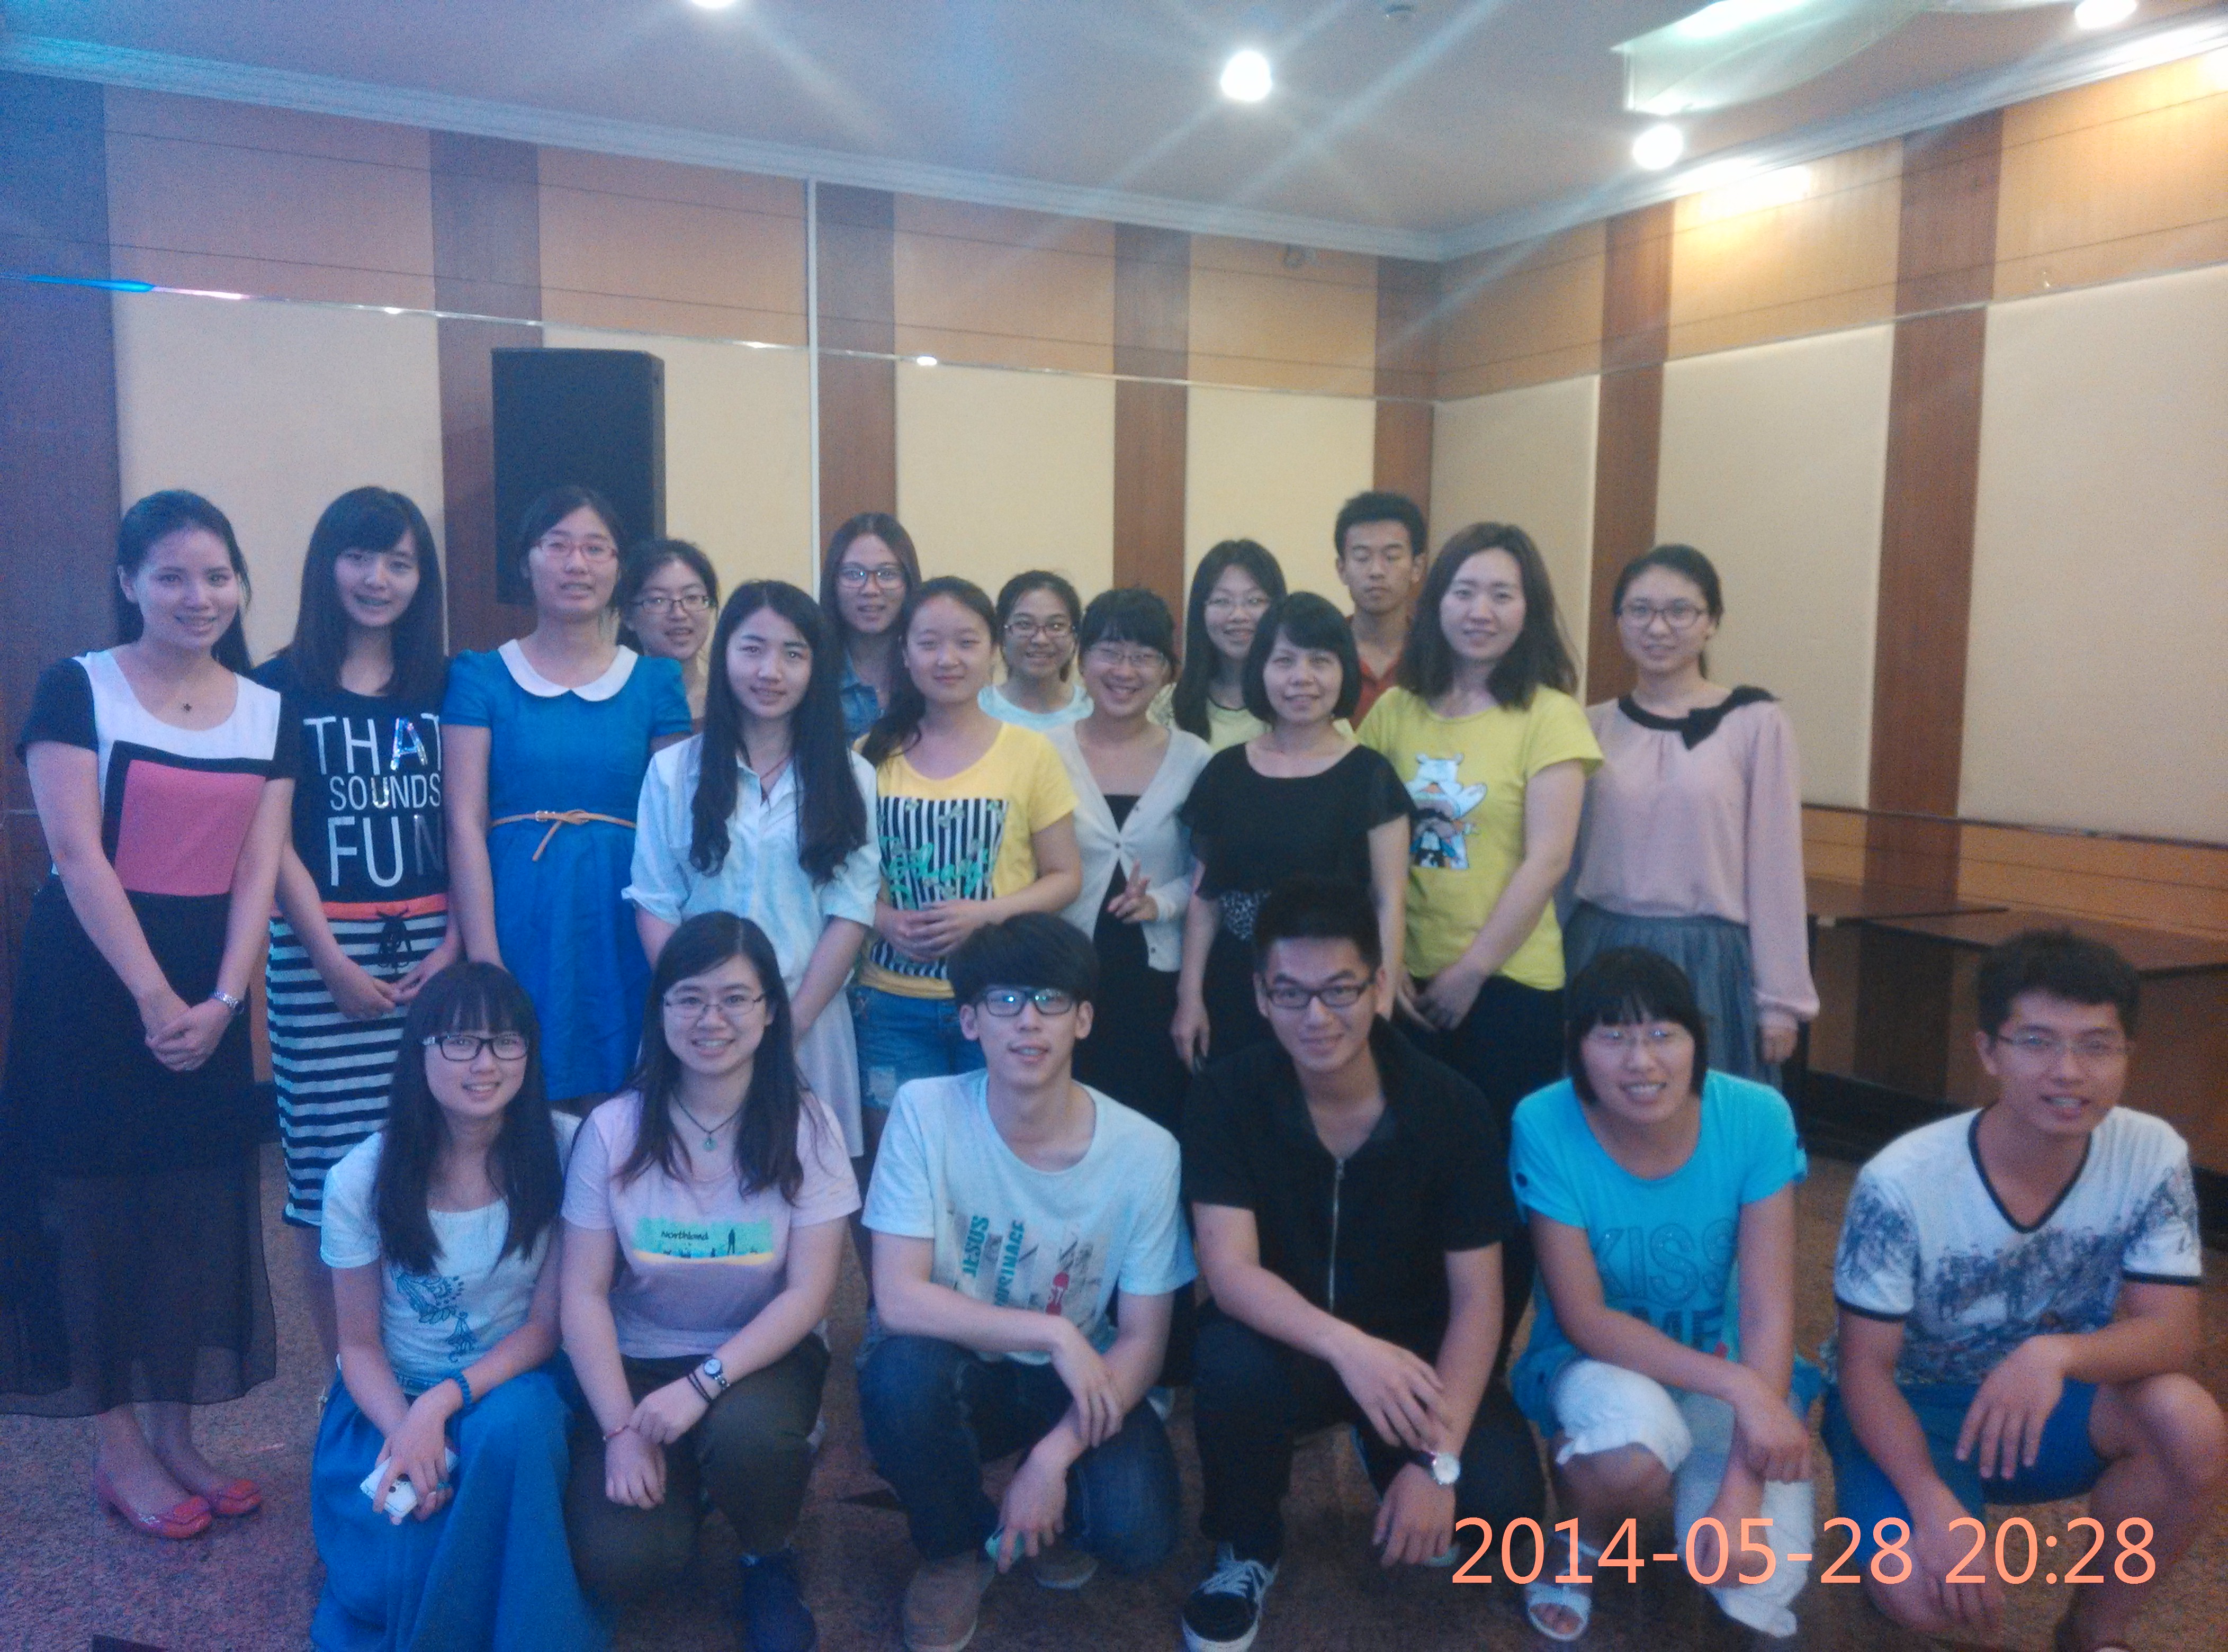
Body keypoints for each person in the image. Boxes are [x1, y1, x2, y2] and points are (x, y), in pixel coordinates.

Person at [0, 491, 295, 1533]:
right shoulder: (76, 687)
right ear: (128, 582)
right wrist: (157, 997)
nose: (197, 596)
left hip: (209, 988)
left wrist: (223, 1000)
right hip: (92, 987)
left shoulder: (264, 707)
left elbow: (259, 865)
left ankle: (177, 1435)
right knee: (99, 1216)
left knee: (191, 1211)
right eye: (171, 576)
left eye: (217, 576)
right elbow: (76, 855)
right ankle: (119, 1450)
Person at [1826, 929, 2222, 1652]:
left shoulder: (2150, 1152)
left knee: (2188, 1424)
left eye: (2096, 1046)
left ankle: (2094, 1631)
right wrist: (1931, 1503)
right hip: (1912, 1406)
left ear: (2128, 1054)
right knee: (1924, 1597)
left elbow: (2172, 1334)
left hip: (2050, 1404)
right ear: (1988, 1052)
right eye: (2036, 1042)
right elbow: (1862, 1368)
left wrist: (2055, 1355)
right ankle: (1882, 1518)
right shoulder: (1901, 1180)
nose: (2068, 1072)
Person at [1180, 878, 1544, 1652]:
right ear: (1260, 995)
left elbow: (1479, 1302)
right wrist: (1348, 1349)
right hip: (1288, 1343)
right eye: (1290, 993)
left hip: (1414, 1358)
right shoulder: (1227, 1096)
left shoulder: (1452, 1106)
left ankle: (1387, 1452)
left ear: (1379, 986)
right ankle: (1247, 1546)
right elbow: (1231, 1273)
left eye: (1339, 990)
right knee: (1227, 1360)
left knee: (1501, 1512)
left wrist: (1438, 1462)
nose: (1316, 1017)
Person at [859, 915, 1192, 1652]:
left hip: (1071, 1382)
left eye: (1050, 1000)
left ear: (1084, 1019)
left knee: (1137, 1534)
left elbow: (1144, 1341)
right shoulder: (925, 1111)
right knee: (898, 1381)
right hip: (959, 1362)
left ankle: (1048, 1500)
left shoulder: (1147, 1152)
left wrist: (1052, 1459)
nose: (1028, 1021)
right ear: (969, 1021)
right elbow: (898, 1297)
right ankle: (953, 1548)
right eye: (1004, 1001)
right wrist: (1054, 1332)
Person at [561, 914, 857, 1652]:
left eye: (734, 999)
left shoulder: (809, 1127)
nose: (710, 1020)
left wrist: (701, 1387)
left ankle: (766, 1552)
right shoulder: (613, 1129)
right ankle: (687, 1482)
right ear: (661, 1010)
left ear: (770, 1010)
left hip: (760, 1355)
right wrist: (620, 1430)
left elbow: (808, 1295)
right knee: (622, 1563)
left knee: (750, 1437)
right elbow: (583, 1293)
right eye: (689, 999)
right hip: (638, 1360)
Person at [1508, 947, 1816, 1642]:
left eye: (1661, 1034)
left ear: (1696, 1041)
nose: (1640, 1061)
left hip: (1731, 1363)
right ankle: (1581, 1538)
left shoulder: (1757, 1116)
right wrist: (1744, 1391)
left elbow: (1767, 1309)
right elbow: (1584, 1316)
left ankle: (1694, 1489)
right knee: (1632, 1446)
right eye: (1613, 1036)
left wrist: (1740, 1493)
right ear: (1576, 1048)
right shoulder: (1544, 1121)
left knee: (1755, 1581)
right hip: (1599, 1365)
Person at [1357, 522, 1601, 1363]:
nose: (1481, 610)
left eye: (1503, 593)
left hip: (1510, 988)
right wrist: (1385, 967)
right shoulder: (1395, 710)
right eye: (1465, 591)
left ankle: (1480, 1367)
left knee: (1498, 1180)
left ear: (1529, 609)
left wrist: (1470, 970)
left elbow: (1549, 859)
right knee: (1405, 1172)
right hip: (1400, 984)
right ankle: (1403, 1355)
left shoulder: (1550, 715)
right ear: (1436, 602)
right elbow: (1364, 835)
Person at [311, 964, 595, 1652]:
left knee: (513, 1430)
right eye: (460, 1042)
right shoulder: (359, 1179)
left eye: (505, 1042)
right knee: (388, 1582)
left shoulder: (567, 1148)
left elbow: (545, 1327)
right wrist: (410, 1428)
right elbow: (359, 1347)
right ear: (421, 1051)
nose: (485, 1063)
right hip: (390, 1401)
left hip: (512, 1385)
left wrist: (444, 1402)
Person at [259, 486, 459, 1367]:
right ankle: (350, 1373)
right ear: (326, 567)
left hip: (434, 954)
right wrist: (329, 959)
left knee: (438, 1160)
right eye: (359, 557)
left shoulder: (449, 685)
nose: (378, 579)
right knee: (326, 1181)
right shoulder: (276, 687)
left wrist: (456, 945)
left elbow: (467, 824)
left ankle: (430, 1357)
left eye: (399, 562)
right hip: (318, 962)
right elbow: (268, 842)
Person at [444, 487, 693, 1108]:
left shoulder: (655, 681)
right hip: (517, 909)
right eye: (556, 546)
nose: (575, 564)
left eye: (595, 548)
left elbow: (676, 824)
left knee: (627, 1096)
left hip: (626, 910)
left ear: (618, 567)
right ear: (525, 563)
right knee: (516, 1089)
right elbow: (464, 821)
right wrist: (484, 956)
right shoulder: (480, 675)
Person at [626, 580, 878, 1168]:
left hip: (807, 1021)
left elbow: (850, 910)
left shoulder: (851, 776)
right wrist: (699, 1008)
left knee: (805, 1183)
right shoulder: (673, 772)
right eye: (752, 649)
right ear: (724, 657)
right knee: (687, 1180)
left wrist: (785, 1024)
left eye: (793, 653)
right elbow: (655, 903)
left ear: (816, 667)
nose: (771, 671)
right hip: (695, 1025)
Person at [854, 577, 1082, 1181]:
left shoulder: (1031, 753)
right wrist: (883, 919)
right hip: (890, 1004)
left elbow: (1065, 877)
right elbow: (837, 878)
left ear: (993, 651)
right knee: (898, 1170)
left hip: (1000, 1003)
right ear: (905, 653)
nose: (947, 659)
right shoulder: (870, 753)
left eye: (966, 642)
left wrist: (984, 915)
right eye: (929, 643)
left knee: (991, 1170)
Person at [1568, 544, 1814, 1082]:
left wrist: (1780, 1000)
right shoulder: (1586, 726)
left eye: (1679, 611)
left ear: (1711, 622)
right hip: (1600, 949)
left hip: (1708, 959)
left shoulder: (1755, 723)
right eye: (1639, 610)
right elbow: (1563, 863)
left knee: (1698, 1111)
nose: (1657, 627)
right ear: (1618, 621)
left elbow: (1775, 868)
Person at [1052, 588, 1212, 1382]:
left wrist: (1163, 902)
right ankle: (1064, 1335)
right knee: (1068, 1153)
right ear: (1082, 659)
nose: (1124, 669)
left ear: (1168, 670)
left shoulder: (1195, 758)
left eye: (1144, 654)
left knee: (1152, 1159)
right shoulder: (1041, 749)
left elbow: (1210, 874)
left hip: (1155, 987)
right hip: (1066, 985)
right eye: (1109, 650)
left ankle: (1158, 1354)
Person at [1174, 592, 1411, 1067]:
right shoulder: (1226, 772)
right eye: (1284, 661)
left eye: (1320, 661)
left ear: (1344, 671)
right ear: (1261, 671)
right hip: (1236, 983)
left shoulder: (1372, 776)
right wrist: (1190, 996)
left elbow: (1390, 901)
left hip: (1334, 990)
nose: (1302, 678)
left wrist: (1380, 1000)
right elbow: (1205, 901)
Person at [1167, 538, 1287, 751]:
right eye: (1222, 601)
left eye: (1254, 601)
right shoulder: (1167, 707)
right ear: (1200, 611)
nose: (1238, 615)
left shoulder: (1303, 699)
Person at [820, 511, 921, 742]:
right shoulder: (811, 672)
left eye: (887, 574)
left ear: (909, 581)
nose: (870, 590)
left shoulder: (928, 670)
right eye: (854, 574)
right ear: (833, 582)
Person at [1331, 491, 1426, 724]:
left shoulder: (1438, 653)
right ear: (1342, 569)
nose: (1376, 571)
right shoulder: (1322, 651)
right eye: (1362, 557)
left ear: (1417, 567)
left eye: (1391, 557)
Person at [616, 538, 720, 726]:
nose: (679, 614)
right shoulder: (612, 702)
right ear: (628, 616)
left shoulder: (731, 700)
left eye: (692, 597)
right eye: (658, 600)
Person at [981, 570, 1093, 732]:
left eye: (1056, 626)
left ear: (1075, 634)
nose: (1041, 640)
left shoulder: (1093, 711)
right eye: (1025, 625)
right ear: (1001, 633)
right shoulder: (977, 708)